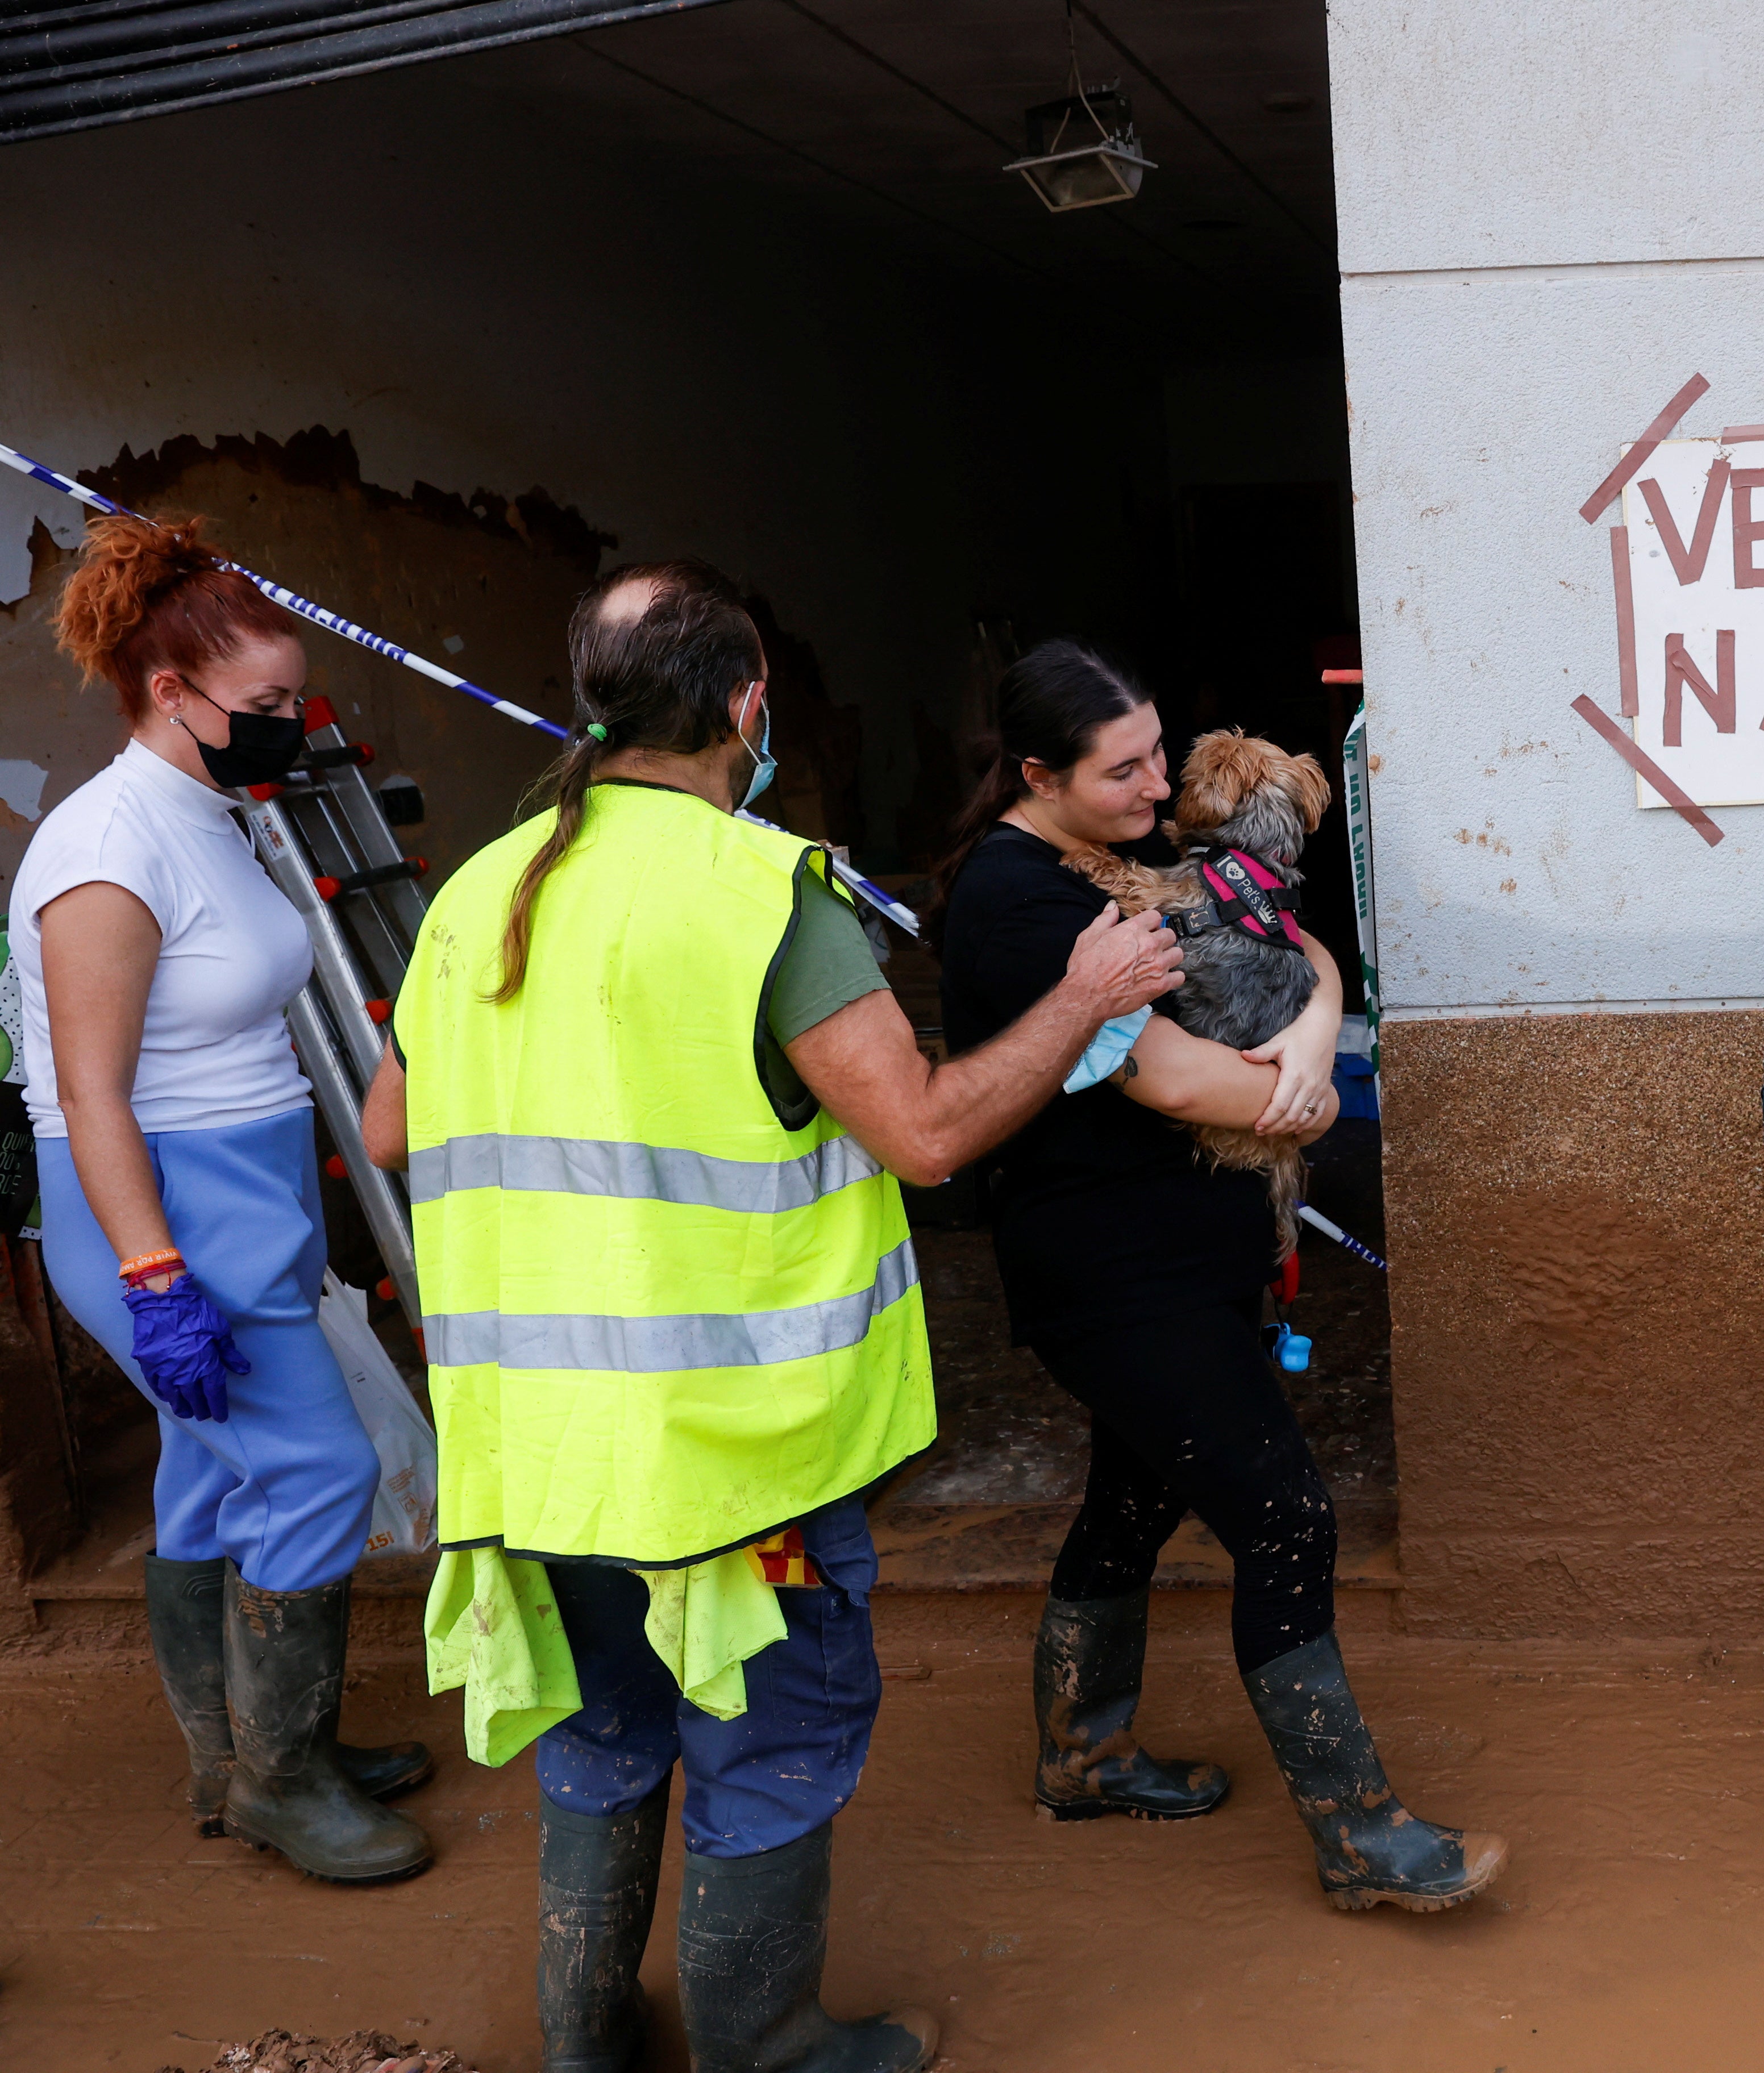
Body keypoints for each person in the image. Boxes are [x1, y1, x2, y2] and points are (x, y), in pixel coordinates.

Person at [363, 564, 1183, 2073]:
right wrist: (1085, 996)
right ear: (749, 707)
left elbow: (394, 1128)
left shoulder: (476, 893)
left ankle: (587, 2041)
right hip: (731, 1454)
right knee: (772, 1734)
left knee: (603, 1735)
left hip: (534, 1440)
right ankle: (776, 2045)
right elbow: (926, 1133)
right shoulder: (760, 896)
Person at [930, 640, 1508, 1913]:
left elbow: (1296, 944)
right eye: (1122, 768)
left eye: (1155, 755)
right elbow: (1176, 1081)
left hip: (1190, 1255)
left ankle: (1084, 1757)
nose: (1156, 787)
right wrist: (1299, 1101)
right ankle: (1360, 1838)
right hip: (1110, 1269)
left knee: (1135, 1497)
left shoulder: (1127, 869)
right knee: (1287, 1517)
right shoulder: (1021, 903)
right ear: (1038, 773)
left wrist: (1310, 1030)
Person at [9, 513, 434, 1883]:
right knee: (319, 1465)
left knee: (213, 1476)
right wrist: (152, 1278)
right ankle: (283, 1779)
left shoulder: (215, 813)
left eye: (293, 701)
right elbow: (90, 1097)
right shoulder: (105, 852)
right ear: (170, 694)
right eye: (263, 707)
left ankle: (237, 1755)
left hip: (243, 1195)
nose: (289, 730)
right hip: (160, 1213)